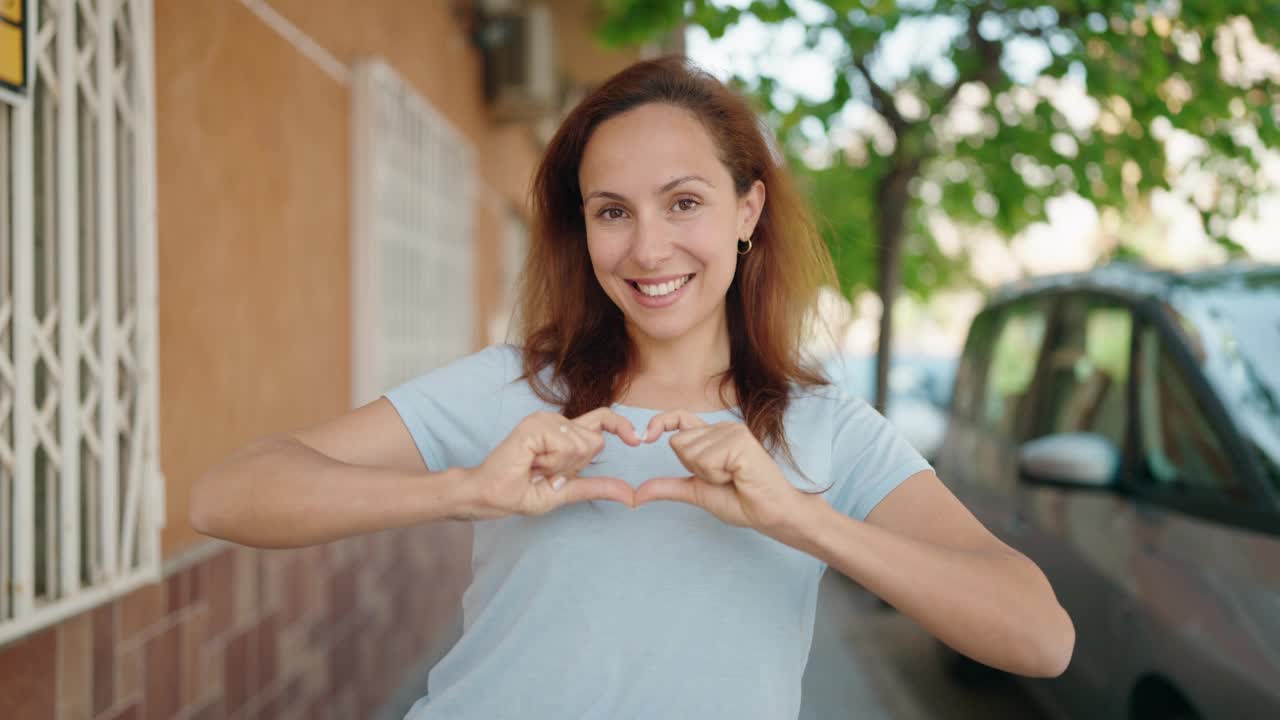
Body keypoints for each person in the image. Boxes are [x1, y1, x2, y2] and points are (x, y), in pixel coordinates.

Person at [192, 56, 1074, 719]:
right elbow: (229, 495)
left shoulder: (828, 428)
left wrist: (797, 515)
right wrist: (462, 490)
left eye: (684, 202)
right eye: (612, 211)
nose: (648, 250)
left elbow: (1040, 637)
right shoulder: (514, 389)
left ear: (747, 213)